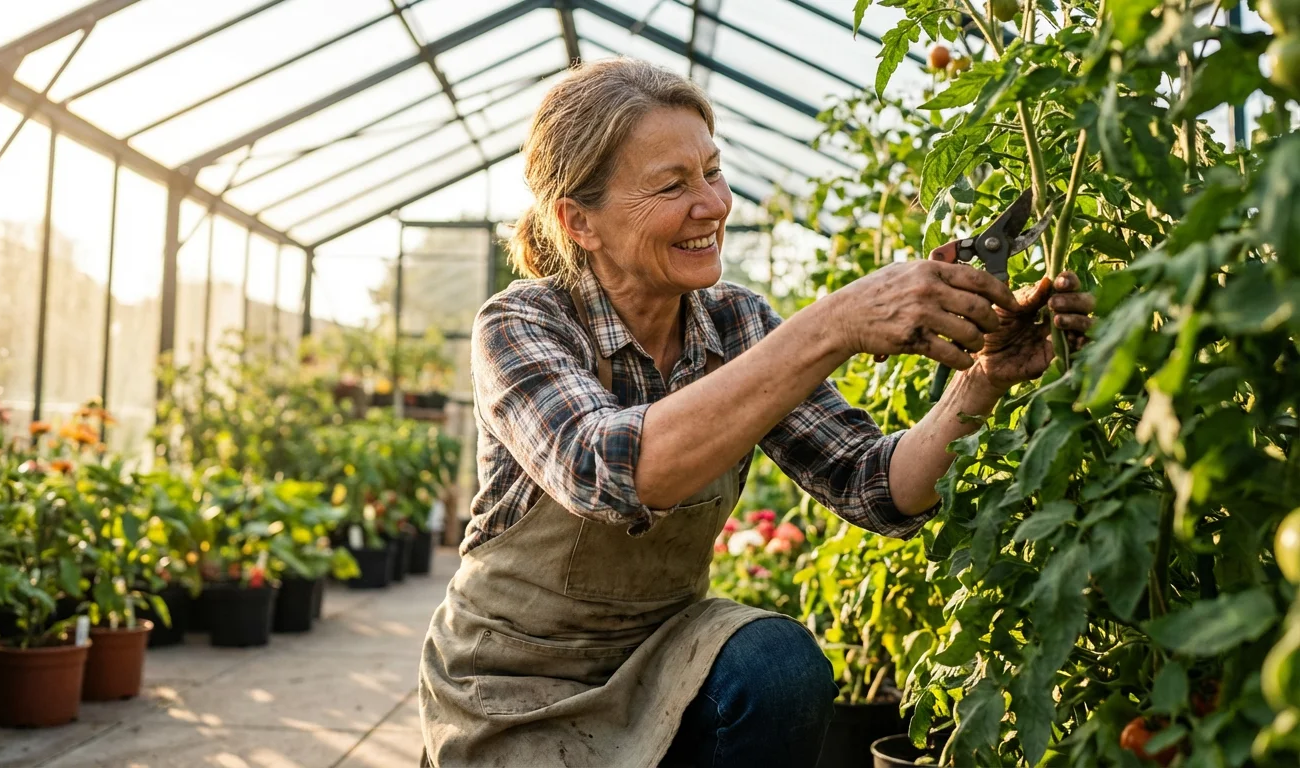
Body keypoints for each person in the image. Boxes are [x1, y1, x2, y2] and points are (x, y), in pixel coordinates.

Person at [418, 58, 1094, 767]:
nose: (711, 205)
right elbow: (610, 471)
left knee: (776, 665)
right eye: (673, 185)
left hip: (666, 657)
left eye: (712, 172)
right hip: (514, 679)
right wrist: (835, 322)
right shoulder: (522, 324)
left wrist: (984, 379)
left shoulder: (735, 322)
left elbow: (874, 485)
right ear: (578, 221)